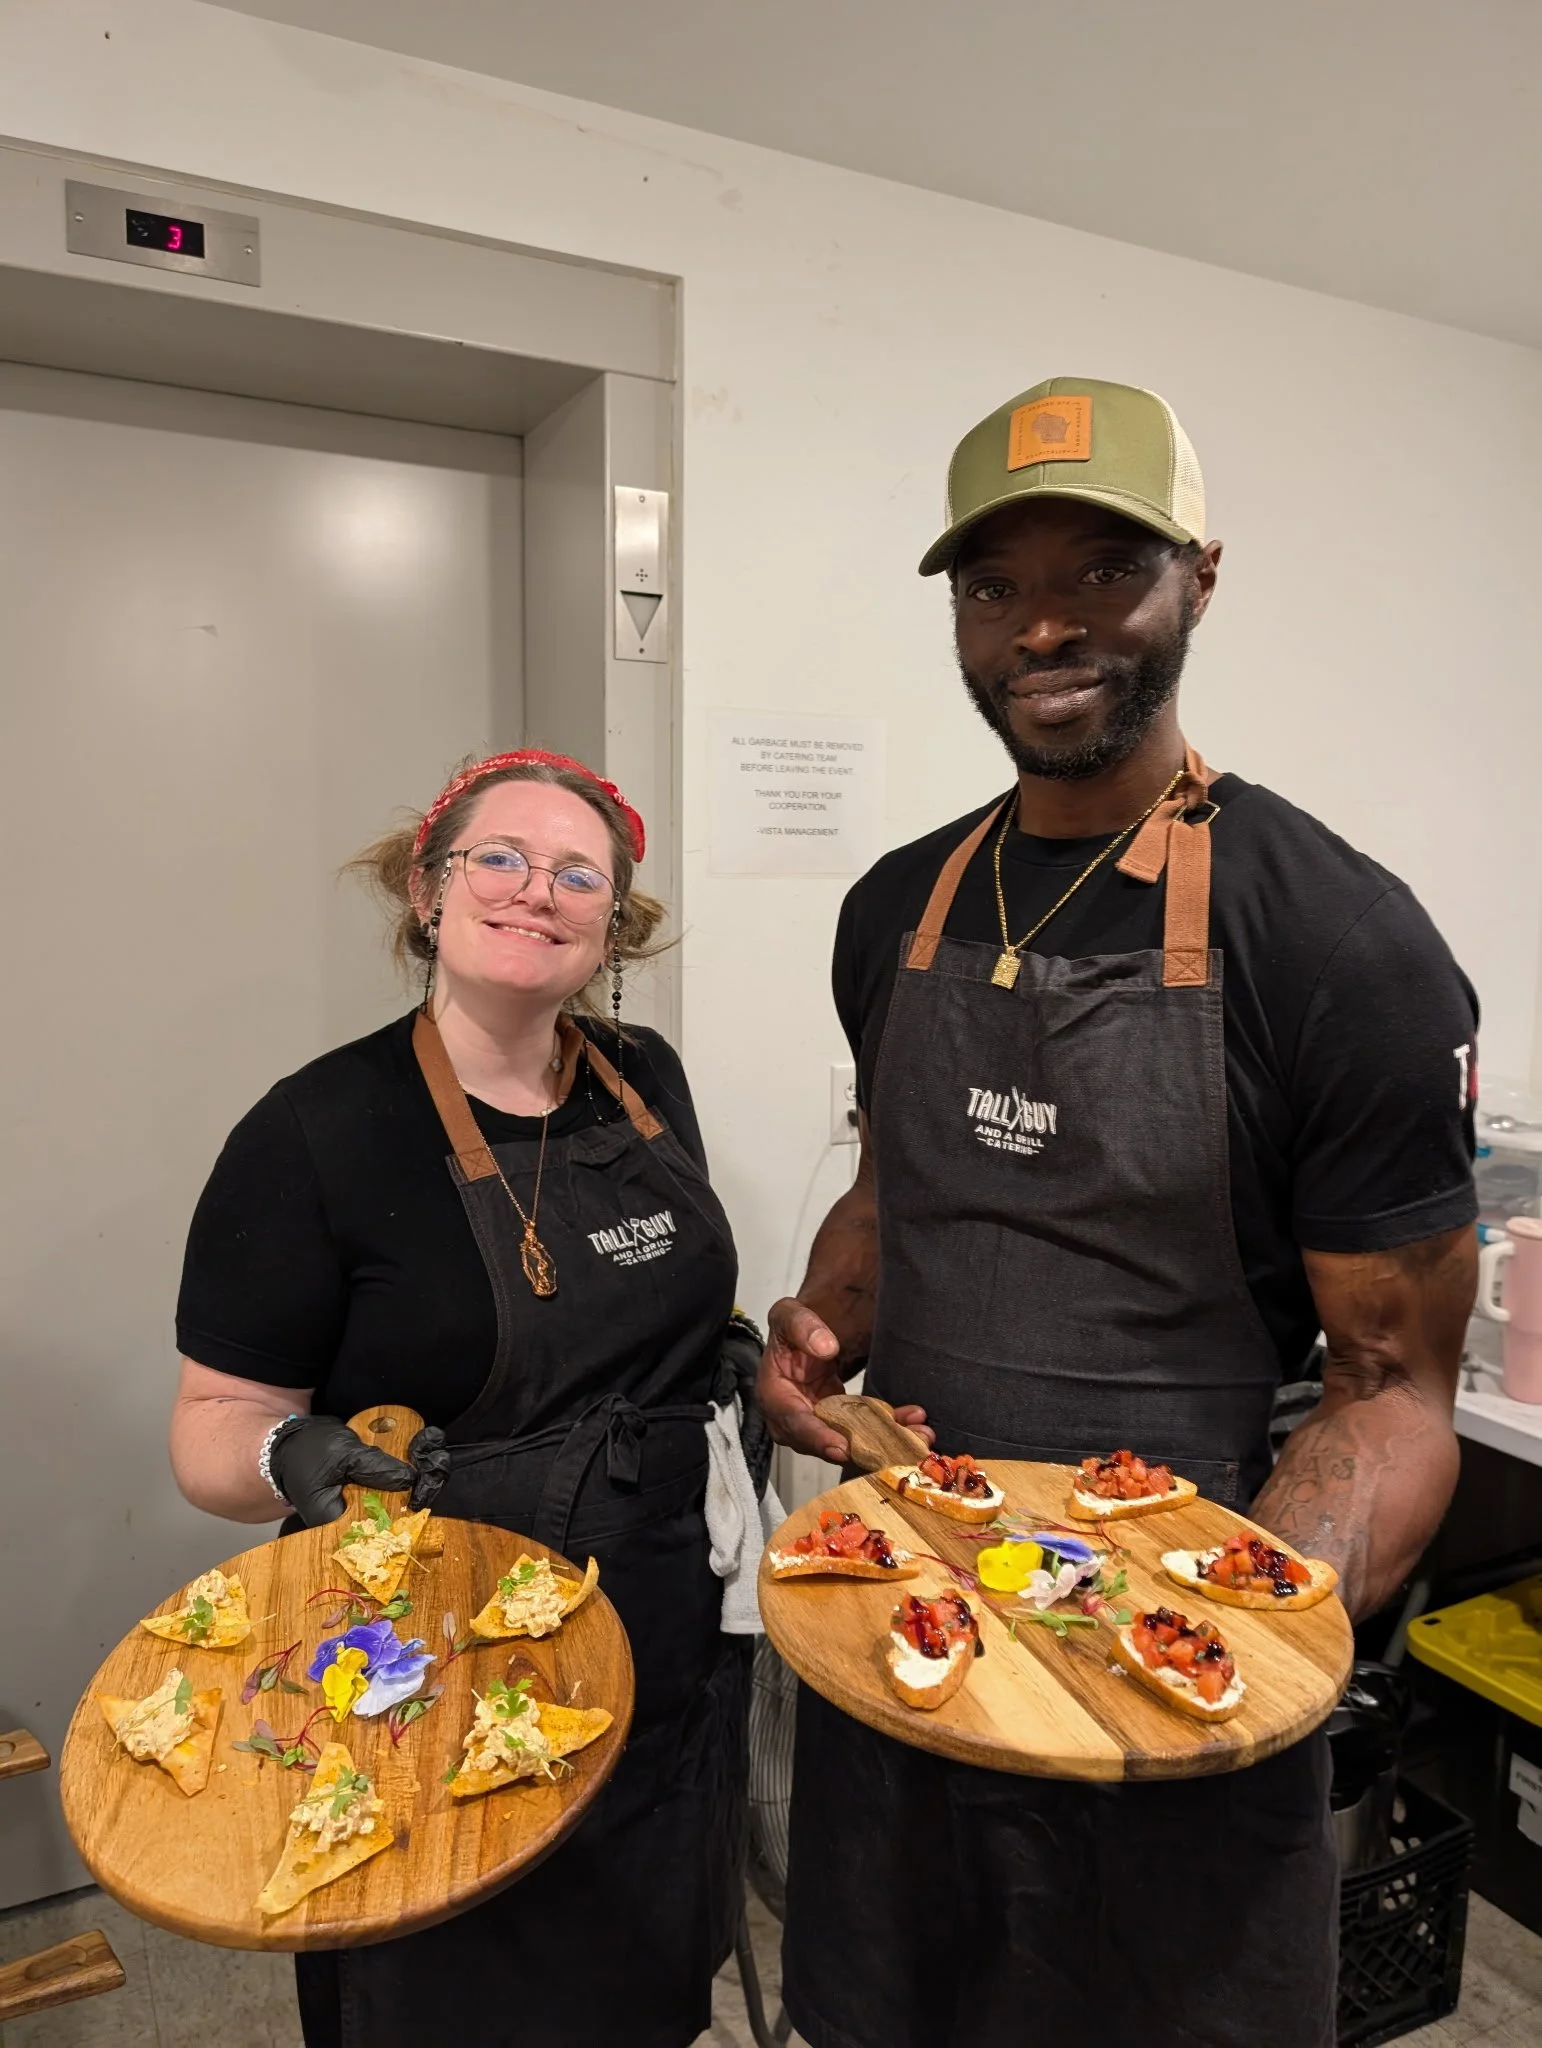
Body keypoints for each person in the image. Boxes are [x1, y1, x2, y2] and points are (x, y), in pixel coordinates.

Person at [759, 377, 1478, 2047]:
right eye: (994, 587)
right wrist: (821, 1332)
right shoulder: (895, 907)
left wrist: (1232, 1626)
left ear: (1199, 579)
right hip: (912, 1582)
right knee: (891, 2013)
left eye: (1102, 570)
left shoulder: (1335, 943)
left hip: (1181, 1616)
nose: (1043, 625)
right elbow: (892, 1185)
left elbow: (1392, 1393)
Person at [170, 749, 757, 2048]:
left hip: (658, 1621)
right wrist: (291, 1453)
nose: (533, 891)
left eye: (576, 874)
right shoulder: (318, 1131)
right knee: (454, 1994)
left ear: (613, 922)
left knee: (643, 1976)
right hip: (426, 1648)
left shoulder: (641, 1075)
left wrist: (737, 1359)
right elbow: (210, 1431)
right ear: (428, 893)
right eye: (498, 857)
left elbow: (670, 1311)